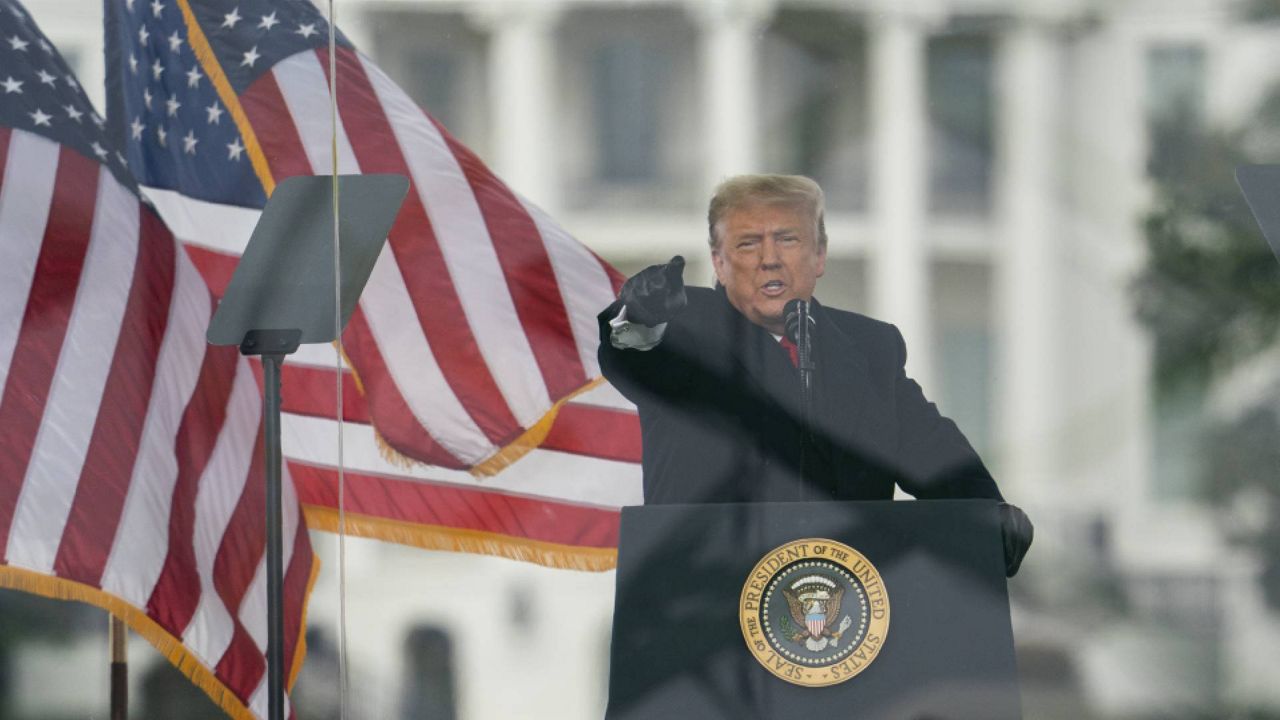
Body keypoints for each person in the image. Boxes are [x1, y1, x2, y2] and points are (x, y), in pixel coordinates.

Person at [598, 174, 1033, 576]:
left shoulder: (870, 348)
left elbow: (935, 457)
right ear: (718, 261)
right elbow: (636, 355)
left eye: (787, 240)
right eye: (748, 244)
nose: (769, 260)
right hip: (707, 607)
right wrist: (641, 317)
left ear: (819, 255)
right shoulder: (682, 328)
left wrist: (990, 518)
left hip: (846, 618)